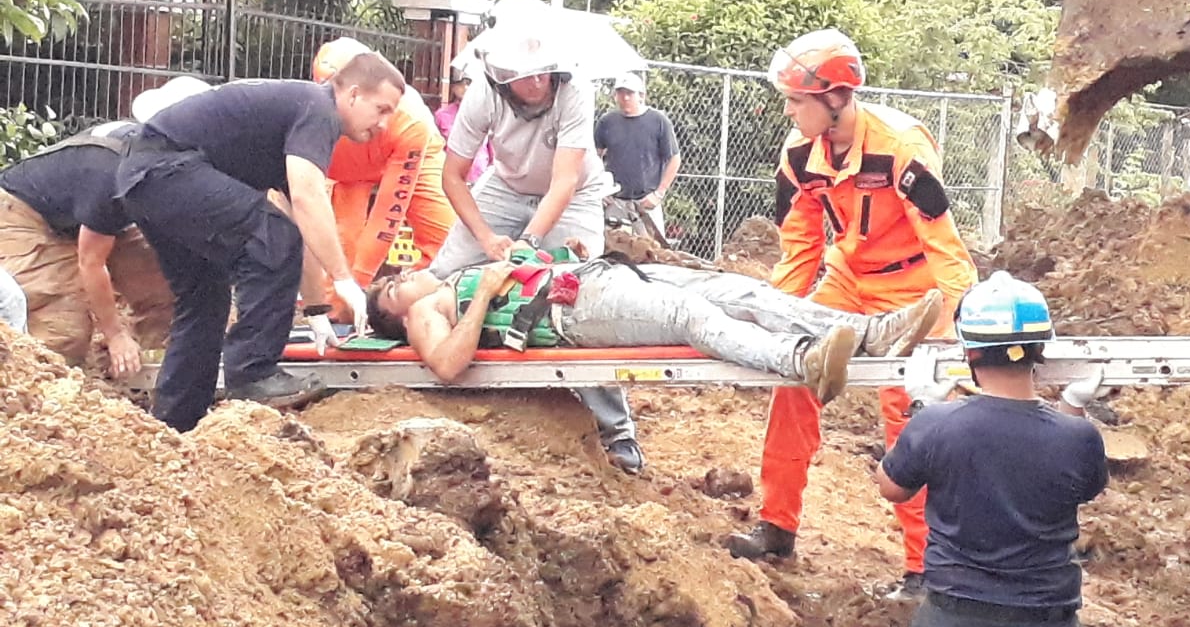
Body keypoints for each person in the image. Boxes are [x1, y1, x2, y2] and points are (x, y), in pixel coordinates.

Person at [728, 28, 979, 598]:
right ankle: (777, 524)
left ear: (836, 98)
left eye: (797, 101)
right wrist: (779, 319)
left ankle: (924, 567)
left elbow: (945, 246)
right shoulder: (799, 156)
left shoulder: (900, 145)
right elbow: (798, 249)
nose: (789, 113)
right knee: (795, 376)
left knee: (910, 414)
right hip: (847, 282)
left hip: (914, 289)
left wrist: (946, 328)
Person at [116, 56, 405, 433]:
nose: (383, 125)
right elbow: (307, 199)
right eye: (381, 109)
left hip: (143, 180)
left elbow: (298, 220)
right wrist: (345, 279)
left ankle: (176, 425)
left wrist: (317, 308)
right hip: (167, 170)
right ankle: (253, 374)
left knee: (206, 297)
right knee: (271, 238)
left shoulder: (294, 113)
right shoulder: (319, 110)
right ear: (352, 94)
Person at [875, 272, 1108, 627]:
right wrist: (1074, 405)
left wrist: (921, 411)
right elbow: (1083, 483)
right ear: (1041, 351)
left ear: (969, 351)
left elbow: (891, 486)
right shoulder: (1077, 437)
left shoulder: (939, 426)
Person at [431, 29, 645, 473]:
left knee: (582, 297)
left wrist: (527, 245)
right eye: (527, 77)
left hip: (575, 194)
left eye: (545, 73)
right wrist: (487, 238)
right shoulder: (481, 97)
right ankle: (421, 375)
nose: (538, 84)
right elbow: (452, 176)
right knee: (442, 275)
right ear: (502, 77)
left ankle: (616, 430)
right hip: (504, 189)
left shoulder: (575, 91)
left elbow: (564, 182)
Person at [365, 245, 943, 393]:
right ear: (394, 309)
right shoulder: (426, 310)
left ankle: (869, 331)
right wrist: (488, 292)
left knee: (737, 288)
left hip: (589, 279)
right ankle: (801, 359)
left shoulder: (448, 280)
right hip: (575, 312)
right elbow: (444, 365)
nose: (408, 273)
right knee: (689, 314)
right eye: (392, 283)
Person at [0, 77, 211, 375]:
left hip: (89, 215)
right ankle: (35, 391)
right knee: (63, 329)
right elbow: (91, 259)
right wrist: (114, 334)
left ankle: (158, 374)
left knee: (163, 282)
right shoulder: (112, 169)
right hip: (25, 214)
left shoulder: (149, 158)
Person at [312, 37, 457, 299]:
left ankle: (421, 301)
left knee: (447, 242)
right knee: (343, 250)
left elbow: (388, 215)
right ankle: (339, 315)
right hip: (349, 175)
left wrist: (361, 280)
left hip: (413, 157)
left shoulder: (410, 122)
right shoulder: (316, 111)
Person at [594, 72, 682, 238]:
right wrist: (600, 188)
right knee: (613, 253)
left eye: (630, 93)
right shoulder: (607, 122)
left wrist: (659, 194)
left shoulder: (658, 121)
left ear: (641, 96)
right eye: (621, 93)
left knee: (652, 254)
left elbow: (674, 159)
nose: (625, 98)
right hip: (615, 202)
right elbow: (593, 157)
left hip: (646, 203)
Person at [434, 74, 491, 183]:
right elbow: (437, 148)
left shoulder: (484, 114)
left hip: (480, 178)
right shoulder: (442, 115)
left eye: (469, 83)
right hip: (453, 178)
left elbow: (492, 150)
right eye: (461, 83)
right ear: (453, 87)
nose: (465, 87)